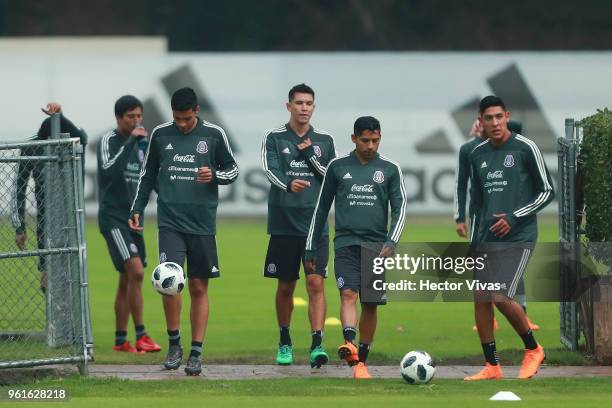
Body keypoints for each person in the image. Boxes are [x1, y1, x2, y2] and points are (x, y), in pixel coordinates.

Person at [129, 87, 239, 376]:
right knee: (169, 282)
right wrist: (137, 208)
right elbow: (148, 173)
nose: (181, 124)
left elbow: (233, 170)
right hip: (170, 223)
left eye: (187, 119)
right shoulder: (161, 135)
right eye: (177, 118)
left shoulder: (214, 135)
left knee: (198, 287)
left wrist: (214, 175)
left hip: (202, 224)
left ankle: (196, 352)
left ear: (197, 111)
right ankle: (174, 344)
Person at [304, 116, 407, 379]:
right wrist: (310, 247)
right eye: (365, 140)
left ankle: (362, 358)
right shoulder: (337, 167)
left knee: (370, 305)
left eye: (375, 140)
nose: (371, 145)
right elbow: (321, 209)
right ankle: (349, 343)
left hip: (376, 247)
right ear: (353, 139)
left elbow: (400, 208)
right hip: (346, 243)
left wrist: (392, 241)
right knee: (348, 294)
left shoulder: (390, 169)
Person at [464, 96, 553, 381]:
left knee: (500, 294)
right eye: (488, 118)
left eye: (499, 117)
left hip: (520, 235)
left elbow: (547, 191)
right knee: (481, 297)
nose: (494, 123)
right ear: (481, 121)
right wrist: (474, 243)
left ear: (507, 115)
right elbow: (477, 204)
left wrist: (515, 217)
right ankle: (492, 366)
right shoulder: (476, 154)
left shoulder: (526, 148)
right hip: (487, 239)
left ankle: (533, 349)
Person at [261, 83, 336, 367]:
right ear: (288, 106)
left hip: (315, 224)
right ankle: (285, 342)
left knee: (315, 283)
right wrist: (287, 184)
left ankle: (317, 344)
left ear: (313, 107)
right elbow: (270, 170)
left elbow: (331, 176)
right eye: (299, 103)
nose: (304, 108)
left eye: (309, 103)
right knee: (285, 286)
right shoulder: (275, 138)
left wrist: (309, 155)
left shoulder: (325, 140)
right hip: (284, 222)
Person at [455, 119, 540, 332]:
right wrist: (460, 217)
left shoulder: (513, 143)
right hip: (481, 217)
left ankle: (523, 316)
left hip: (511, 219)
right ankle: (488, 319)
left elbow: (518, 129)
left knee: (512, 273)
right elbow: (461, 183)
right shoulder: (469, 149)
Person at [97, 95, 161, 354]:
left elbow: (149, 176)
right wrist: (132, 142)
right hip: (114, 219)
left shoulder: (142, 145)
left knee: (127, 279)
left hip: (134, 220)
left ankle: (120, 340)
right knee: (136, 272)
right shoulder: (109, 140)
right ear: (118, 118)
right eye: (130, 116)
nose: (136, 121)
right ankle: (142, 335)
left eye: (139, 116)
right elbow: (109, 172)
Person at [13, 103, 87, 293]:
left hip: (69, 215)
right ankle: (51, 306)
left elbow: (82, 137)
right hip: (45, 218)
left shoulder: (70, 142)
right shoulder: (31, 147)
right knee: (48, 282)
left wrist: (59, 116)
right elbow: (19, 188)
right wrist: (19, 226)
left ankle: (66, 312)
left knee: (71, 278)